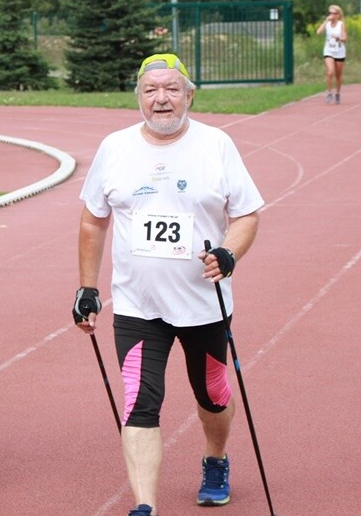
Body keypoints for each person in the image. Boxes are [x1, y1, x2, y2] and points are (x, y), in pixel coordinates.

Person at [73, 53, 264, 516]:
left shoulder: (216, 144)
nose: (162, 99)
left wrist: (229, 252)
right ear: (138, 97)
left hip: (204, 305)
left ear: (189, 95)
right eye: (151, 90)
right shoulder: (115, 147)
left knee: (213, 396)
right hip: (139, 306)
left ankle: (215, 460)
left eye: (171, 89)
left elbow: (246, 214)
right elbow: (93, 222)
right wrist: (87, 288)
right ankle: (144, 506)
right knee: (140, 401)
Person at [316, 5, 347, 104]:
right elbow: (318, 32)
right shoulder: (327, 23)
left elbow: (345, 38)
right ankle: (329, 92)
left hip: (339, 51)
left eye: (334, 13)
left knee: (338, 75)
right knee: (330, 72)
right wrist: (325, 21)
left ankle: (338, 93)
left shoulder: (341, 24)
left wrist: (338, 38)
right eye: (330, 13)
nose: (332, 15)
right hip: (328, 50)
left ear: (338, 15)